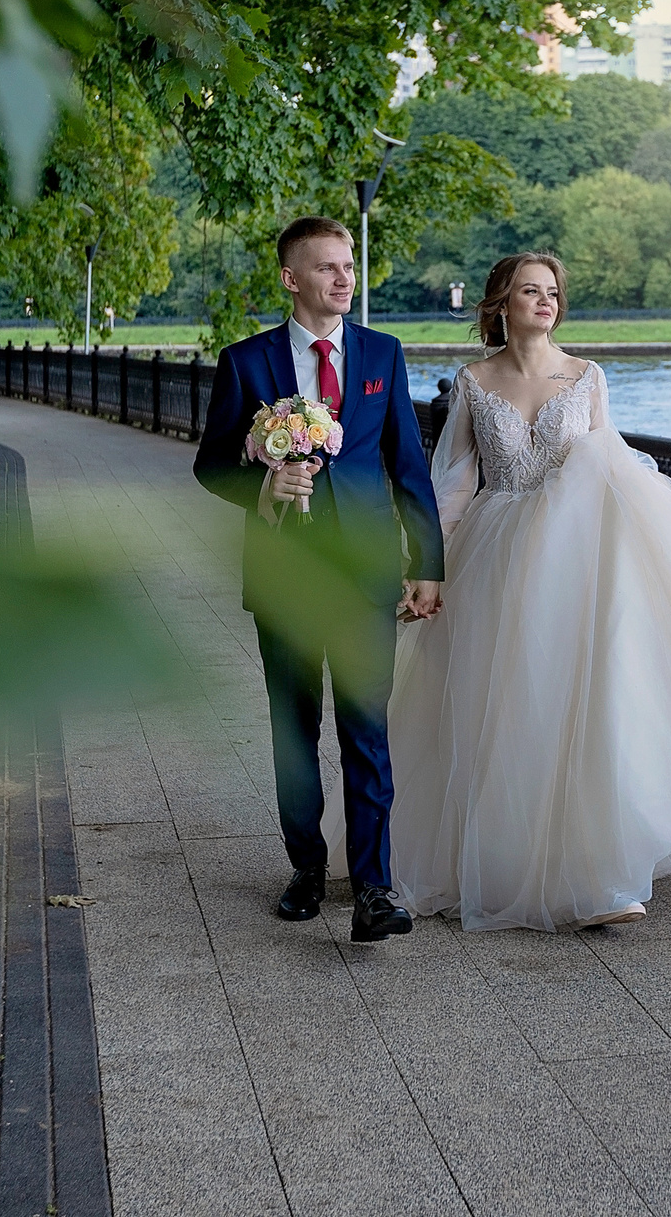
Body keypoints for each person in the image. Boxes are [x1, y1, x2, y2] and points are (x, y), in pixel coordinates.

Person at [389, 253, 671, 933]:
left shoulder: (587, 376)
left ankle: (601, 874)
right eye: (529, 291)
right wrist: (426, 566)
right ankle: (505, 859)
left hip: (577, 556)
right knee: (508, 706)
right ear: (501, 304)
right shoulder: (474, 381)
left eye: (552, 292)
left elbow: (612, 467)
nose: (544, 302)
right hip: (496, 549)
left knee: (591, 701)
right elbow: (455, 484)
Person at [192, 217, 444, 944]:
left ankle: (373, 888)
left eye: (348, 265)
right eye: (327, 267)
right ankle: (306, 868)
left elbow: (407, 466)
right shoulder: (246, 363)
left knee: (367, 731)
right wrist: (265, 489)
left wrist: (427, 563)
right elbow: (212, 465)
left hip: (366, 575)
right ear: (290, 278)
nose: (343, 278)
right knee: (294, 731)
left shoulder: (382, 355)